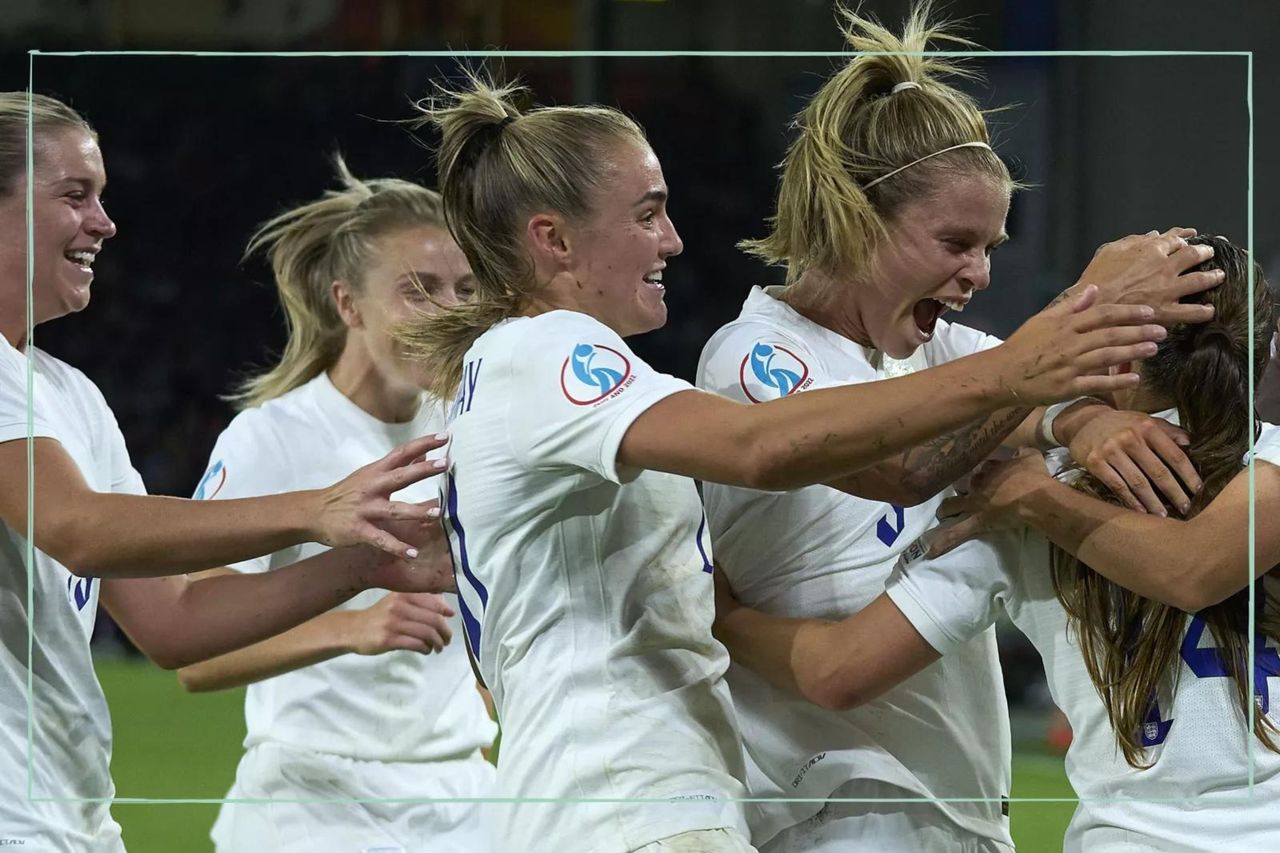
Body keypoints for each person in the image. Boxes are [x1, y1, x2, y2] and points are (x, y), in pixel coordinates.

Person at [395, 63, 1184, 853]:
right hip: (643, 796)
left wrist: (1072, 415)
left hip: (634, 794)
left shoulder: (525, 370)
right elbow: (773, 448)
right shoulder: (556, 349)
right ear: (553, 239)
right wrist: (1036, 363)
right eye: (647, 214)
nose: (672, 239)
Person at [694, 6, 1217, 851]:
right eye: (955, 242)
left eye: (992, 247)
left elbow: (1028, 396)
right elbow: (904, 463)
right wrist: (1077, 318)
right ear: (857, 216)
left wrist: (1086, 426)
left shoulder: (941, 346)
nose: (977, 273)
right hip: (835, 794)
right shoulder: (755, 356)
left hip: (951, 789)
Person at [712, 235, 1280, 851]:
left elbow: (839, 671)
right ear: (1264, 352)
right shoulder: (1268, 468)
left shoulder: (1015, 505)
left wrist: (718, 613)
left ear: (1115, 358)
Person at [0, 94, 451, 852]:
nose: (104, 222)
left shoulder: (69, 396)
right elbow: (75, 526)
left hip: (66, 820)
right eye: (74, 195)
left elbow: (175, 623)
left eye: (102, 197)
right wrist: (314, 509)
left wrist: (367, 562)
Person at [174, 159, 498, 853]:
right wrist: (350, 628)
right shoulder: (274, 436)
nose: (450, 311)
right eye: (420, 289)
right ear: (348, 304)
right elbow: (196, 657)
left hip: (463, 802)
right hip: (312, 804)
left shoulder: (477, 424)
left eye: (466, 289)